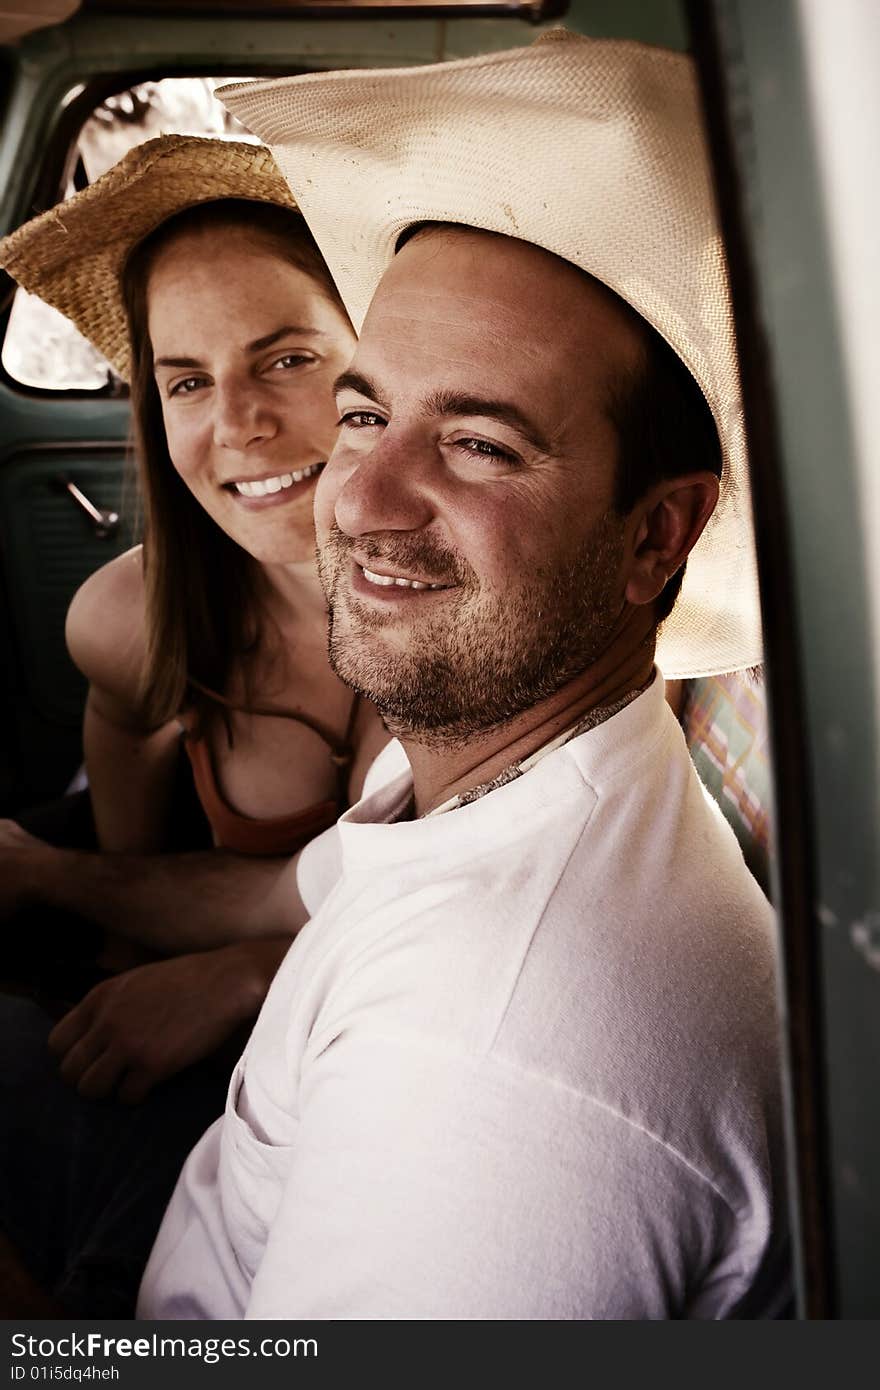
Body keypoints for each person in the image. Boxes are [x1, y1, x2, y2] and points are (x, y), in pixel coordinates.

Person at [135, 32, 791, 1320]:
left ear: (655, 535)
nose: (358, 495)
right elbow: (298, 894)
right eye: (369, 413)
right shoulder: (491, 765)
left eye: (480, 443)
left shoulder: (502, 1078)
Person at [0, 134, 387, 1314]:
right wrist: (93, 908)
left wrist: (245, 977)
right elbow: (127, 876)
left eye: (287, 356)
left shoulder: (477, 638)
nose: (239, 425)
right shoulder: (133, 624)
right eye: (185, 380)